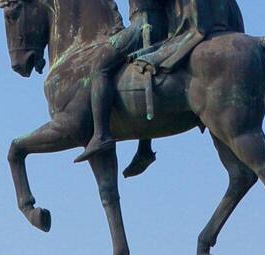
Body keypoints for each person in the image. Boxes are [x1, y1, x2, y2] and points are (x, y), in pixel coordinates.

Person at [78, 0, 244, 164]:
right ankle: (144, 148)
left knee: (99, 65)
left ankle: (101, 134)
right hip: (154, 24)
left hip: (145, 25)